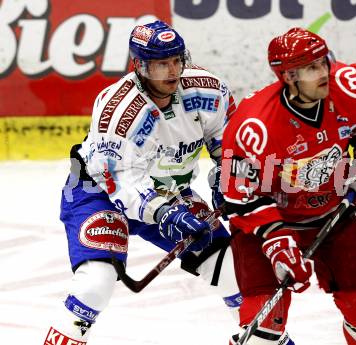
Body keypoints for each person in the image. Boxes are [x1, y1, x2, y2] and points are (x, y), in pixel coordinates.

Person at [42, 20, 246, 345]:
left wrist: (227, 177)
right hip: (98, 191)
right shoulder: (118, 110)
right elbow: (121, 180)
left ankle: (260, 339)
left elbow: (229, 141)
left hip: (169, 190)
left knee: (233, 271)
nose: (172, 71)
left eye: (177, 60)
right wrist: (165, 213)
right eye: (160, 63)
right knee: (96, 282)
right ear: (139, 65)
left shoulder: (208, 90)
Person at [221, 27, 356, 345]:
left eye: (324, 62)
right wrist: (275, 242)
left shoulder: (350, 85)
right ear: (287, 76)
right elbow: (237, 196)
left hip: (331, 214)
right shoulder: (255, 125)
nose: (324, 72)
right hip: (269, 220)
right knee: (264, 328)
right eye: (312, 68)